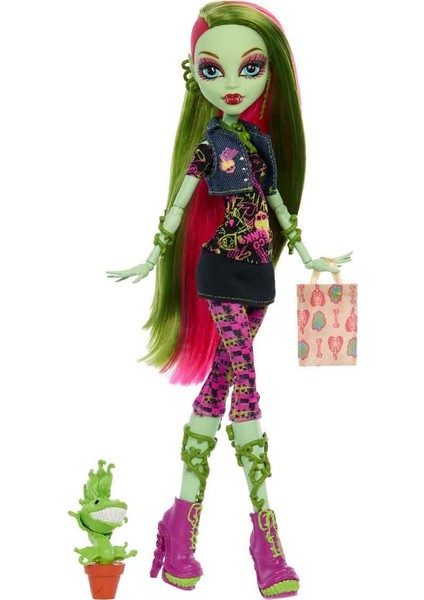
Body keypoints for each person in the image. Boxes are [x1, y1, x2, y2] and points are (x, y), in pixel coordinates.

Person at [108, 2, 351, 597]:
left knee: (219, 386)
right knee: (247, 386)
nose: (233, 83)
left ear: (272, 73)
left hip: (259, 278)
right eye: (213, 69)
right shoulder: (209, 146)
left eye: (251, 67)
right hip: (218, 269)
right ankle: (267, 537)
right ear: (194, 75)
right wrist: (152, 256)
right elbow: (179, 202)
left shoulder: (261, 145)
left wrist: (310, 255)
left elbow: (279, 206)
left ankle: (179, 522)